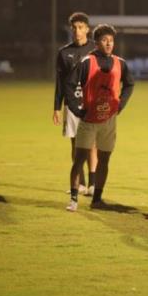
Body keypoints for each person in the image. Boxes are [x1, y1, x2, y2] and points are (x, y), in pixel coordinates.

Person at [64, 24, 133, 212]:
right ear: (96, 42)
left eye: (111, 40)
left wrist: (120, 105)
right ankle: (73, 199)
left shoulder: (121, 63)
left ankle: (97, 199)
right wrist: (76, 109)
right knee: (79, 160)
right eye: (104, 40)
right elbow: (69, 84)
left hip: (109, 121)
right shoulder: (87, 62)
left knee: (104, 160)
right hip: (88, 121)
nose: (109, 43)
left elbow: (129, 84)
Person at [53, 12, 97, 196]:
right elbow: (60, 82)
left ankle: (93, 184)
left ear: (87, 29)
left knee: (92, 144)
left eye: (81, 27)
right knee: (76, 144)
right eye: (75, 28)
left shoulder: (96, 50)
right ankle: (80, 184)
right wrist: (56, 107)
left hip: (92, 104)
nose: (78, 31)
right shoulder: (64, 52)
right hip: (71, 105)